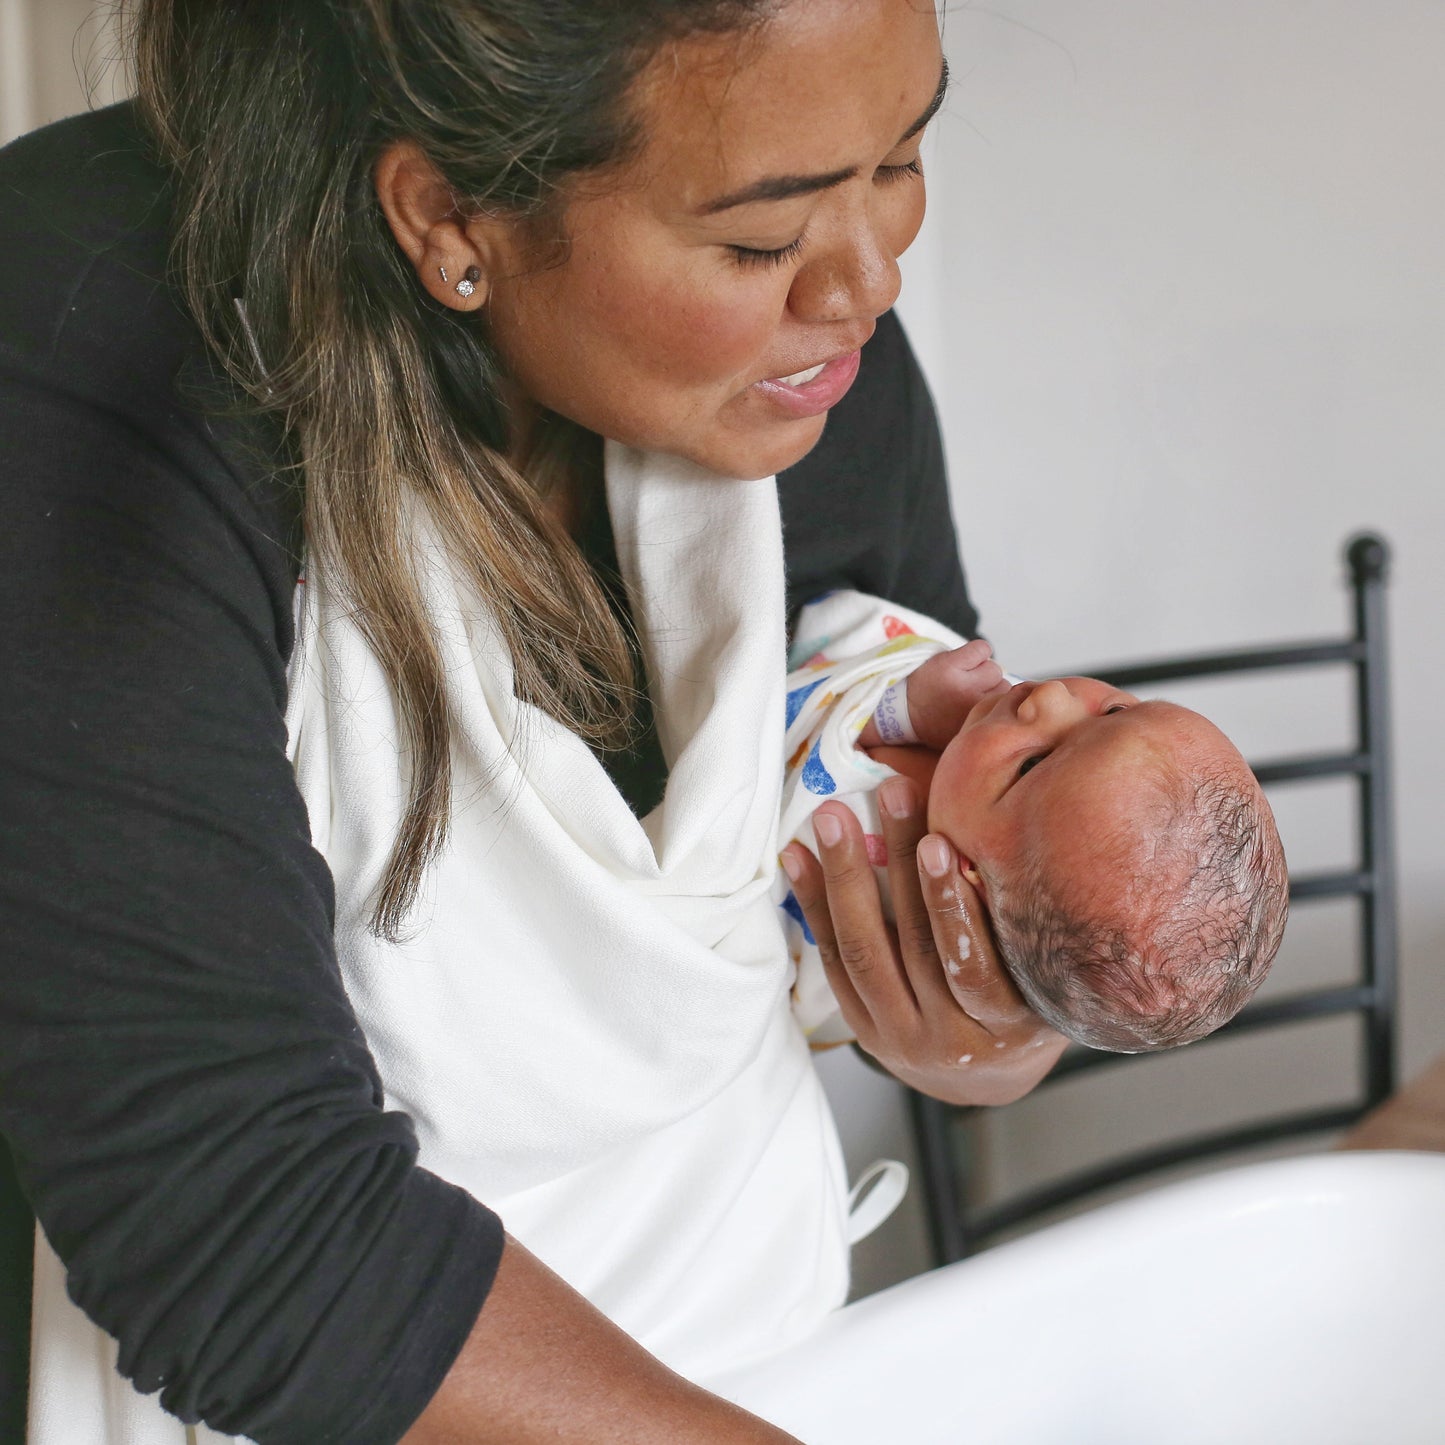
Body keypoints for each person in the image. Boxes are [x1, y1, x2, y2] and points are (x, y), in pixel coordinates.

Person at [0, 1, 1073, 1440]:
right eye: (760, 240)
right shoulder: (81, 323)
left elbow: (885, 824)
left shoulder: (807, 375)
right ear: (448, 215)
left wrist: (980, 1020)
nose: (869, 279)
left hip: (743, 1339)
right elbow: (229, 1213)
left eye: (902, 155)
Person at [776, 592, 1290, 1055]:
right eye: (1114, 711)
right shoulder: (990, 790)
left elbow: (778, 748)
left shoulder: (895, 810)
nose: (1049, 697)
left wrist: (898, 709)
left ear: (970, 877)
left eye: (1032, 765)